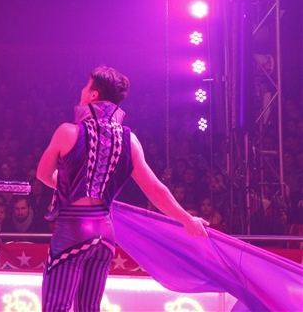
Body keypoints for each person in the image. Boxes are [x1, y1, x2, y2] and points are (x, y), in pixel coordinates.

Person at [37, 66, 208, 312]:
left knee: (56, 307)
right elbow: (155, 189)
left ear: (94, 95)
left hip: (72, 230)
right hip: (105, 232)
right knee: (89, 309)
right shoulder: (130, 140)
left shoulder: (68, 132)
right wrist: (187, 220)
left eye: (86, 85)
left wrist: (71, 187)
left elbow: (43, 174)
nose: (82, 90)